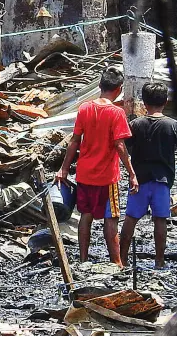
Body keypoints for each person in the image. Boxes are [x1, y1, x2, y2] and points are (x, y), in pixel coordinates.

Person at [56, 67, 138, 266]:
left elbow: (74, 141)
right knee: (111, 218)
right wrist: (132, 173)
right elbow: (120, 146)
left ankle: (83, 259)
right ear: (119, 89)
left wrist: (64, 169)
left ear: (100, 86)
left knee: (86, 215)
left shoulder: (84, 108)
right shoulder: (116, 113)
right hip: (107, 177)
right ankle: (116, 262)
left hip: (84, 174)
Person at [120, 82, 177, 269]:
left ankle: (122, 259)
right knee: (160, 220)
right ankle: (159, 261)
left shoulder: (136, 124)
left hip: (139, 179)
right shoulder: (172, 125)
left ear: (144, 103)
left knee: (130, 218)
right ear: (166, 102)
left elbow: (124, 145)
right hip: (162, 180)